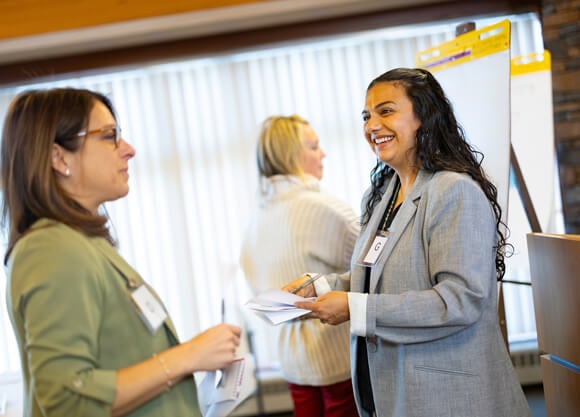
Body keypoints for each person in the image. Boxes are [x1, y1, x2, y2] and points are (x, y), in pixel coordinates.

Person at [287, 68, 532, 417]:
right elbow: (379, 276)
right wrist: (321, 286)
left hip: (448, 398)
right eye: (366, 115)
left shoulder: (453, 191)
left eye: (386, 111)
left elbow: (459, 300)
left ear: (423, 117)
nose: (372, 125)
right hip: (390, 392)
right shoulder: (382, 193)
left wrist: (357, 309)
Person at [1, 88, 241, 417]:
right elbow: (68, 399)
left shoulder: (84, 244)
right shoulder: (50, 249)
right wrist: (188, 356)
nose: (128, 150)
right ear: (59, 158)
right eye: (110, 136)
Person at [240, 115, 360, 417]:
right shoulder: (324, 209)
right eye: (314, 146)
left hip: (293, 366)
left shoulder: (254, 222)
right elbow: (381, 265)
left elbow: (265, 300)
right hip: (340, 364)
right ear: (291, 155)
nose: (323, 154)